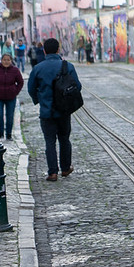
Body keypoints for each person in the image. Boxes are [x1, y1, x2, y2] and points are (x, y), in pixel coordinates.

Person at [28, 38, 81, 182]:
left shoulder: (38, 68)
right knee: (64, 139)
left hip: (46, 112)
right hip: (64, 112)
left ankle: (52, 172)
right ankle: (65, 168)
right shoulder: (67, 66)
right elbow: (78, 87)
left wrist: (39, 100)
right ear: (58, 50)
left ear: (44, 51)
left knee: (49, 142)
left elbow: (31, 89)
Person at [0, 52, 24, 140]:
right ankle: (0, 133)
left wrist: (15, 91)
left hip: (11, 97)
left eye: (8, 60)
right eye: (4, 60)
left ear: (11, 61)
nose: (6, 62)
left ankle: (9, 134)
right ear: (1, 60)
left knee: (10, 116)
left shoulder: (15, 70)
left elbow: (20, 82)